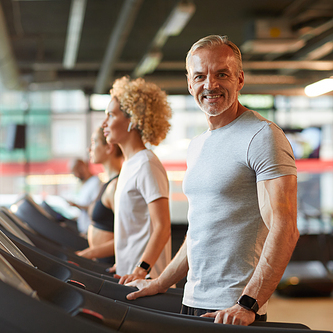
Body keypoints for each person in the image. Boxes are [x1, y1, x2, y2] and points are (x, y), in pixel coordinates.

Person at [125, 35, 299, 326]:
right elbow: (199, 233)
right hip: (192, 300)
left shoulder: (262, 136)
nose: (210, 85)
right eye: (200, 76)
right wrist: (161, 282)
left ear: (240, 79)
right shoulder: (197, 145)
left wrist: (248, 304)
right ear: (190, 83)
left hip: (233, 308)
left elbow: (285, 227)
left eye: (222, 74)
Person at [101, 76, 173, 281]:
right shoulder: (129, 165)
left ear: (132, 120)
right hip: (129, 275)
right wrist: (124, 262)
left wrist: (141, 269)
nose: (104, 123)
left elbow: (162, 227)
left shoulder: (146, 164)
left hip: (147, 279)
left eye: (111, 115)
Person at [76, 127, 123, 264]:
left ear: (109, 147)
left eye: (94, 142)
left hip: (111, 263)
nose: (89, 149)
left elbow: (127, 237)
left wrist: (89, 253)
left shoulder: (115, 186)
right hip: (101, 260)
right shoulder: (106, 182)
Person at [67, 158, 101, 234]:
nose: (75, 175)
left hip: (91, 231)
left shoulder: (95, 182)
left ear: (82, 168)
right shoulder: (85, 185)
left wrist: (76, 205)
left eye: (75, 171)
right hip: (84, 230)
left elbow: (95, 208)